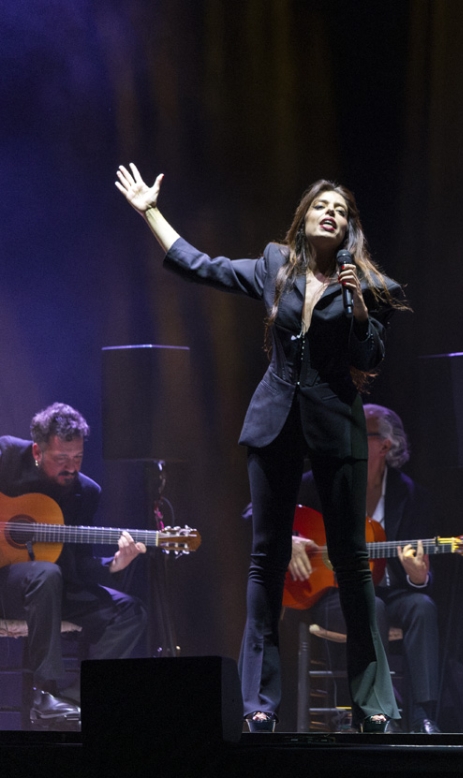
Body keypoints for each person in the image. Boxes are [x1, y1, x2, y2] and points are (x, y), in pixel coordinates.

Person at [115, 163, 405, 732]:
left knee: (351, 563)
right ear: (305, 219)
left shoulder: (369, 286)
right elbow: (203, 267)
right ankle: (260, 706)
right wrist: (151, 211)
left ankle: (374, 704)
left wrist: (360, 308)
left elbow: (370, 359)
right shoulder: (276, 264)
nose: (332, 214)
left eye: (342, 211)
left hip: (336, 425)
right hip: (273, 421)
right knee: (266, 560)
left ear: (350, 230)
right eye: (323, 206)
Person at [289, 404, 441, 733]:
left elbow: (423, 575)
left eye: (358, 433)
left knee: (423, 607)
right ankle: (378, 713)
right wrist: (289, 540)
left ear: (385, 445)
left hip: (390, 589)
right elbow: (254, 515)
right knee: (372, 606)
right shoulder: (319, 482)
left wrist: (419, 578)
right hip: (333, 594)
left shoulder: (413, 497)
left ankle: (423, 717)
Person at [0, 403, 147, 730]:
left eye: (78, 458)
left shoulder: (85, 492)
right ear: (38, 450)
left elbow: (80, 567)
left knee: (130, 612)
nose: (71, 468)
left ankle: (70, 701)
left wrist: (115, 565)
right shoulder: (6, 455)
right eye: (61, 459)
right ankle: (44, 691)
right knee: (45, 573)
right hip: (5, 586)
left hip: (53, 589)